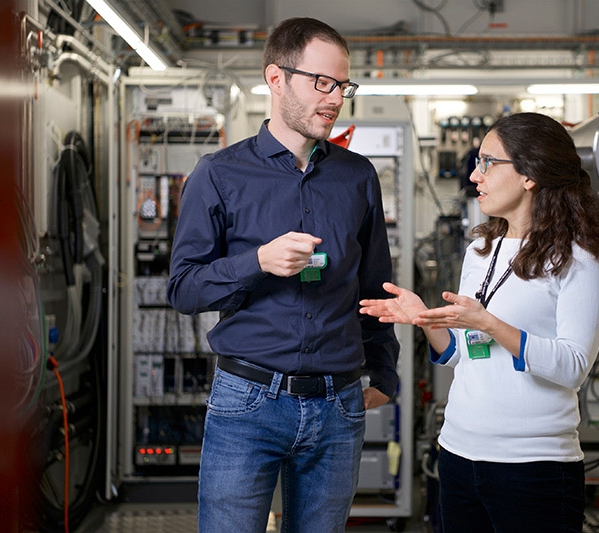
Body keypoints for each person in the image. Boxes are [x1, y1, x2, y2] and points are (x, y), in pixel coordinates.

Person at [167, 17, 400, 533]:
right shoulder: (220, 174)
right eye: (322, 82)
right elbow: (183, 288)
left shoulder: (358, 176)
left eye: (342, 85)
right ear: (276, 78)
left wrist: (384, 370)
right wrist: (257, 263)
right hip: (247, 400)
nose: (335, 98)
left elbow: (375, 287)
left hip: (339, 404)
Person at [360, 112, 599, 532]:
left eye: (488, 162)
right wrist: (425, 319)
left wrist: (490, 324)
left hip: (533, 465)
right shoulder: (482, 249)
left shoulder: (578, 258)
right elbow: (461, 354)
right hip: (459, 453)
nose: (475, 174)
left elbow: (573, 367)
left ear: (529, 175)